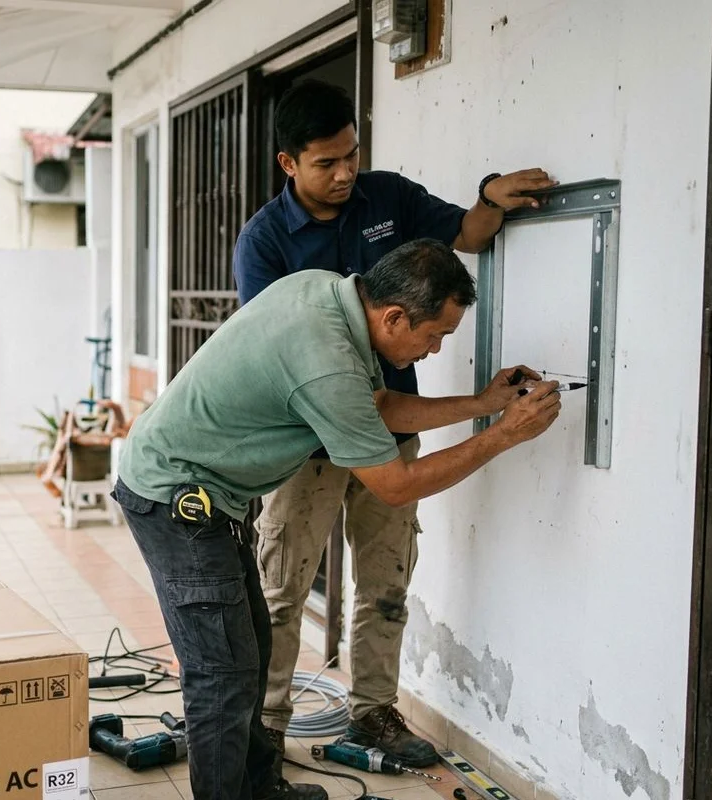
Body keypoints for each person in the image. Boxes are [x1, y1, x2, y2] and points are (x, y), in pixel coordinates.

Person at [112, 239, 561, 800]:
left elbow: (377, 407)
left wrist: (482, 405)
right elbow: (395, 485)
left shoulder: (325, 293)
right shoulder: (326, 359)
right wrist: (504, 436)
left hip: (203, 495)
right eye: (435, 335)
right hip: (176, 499)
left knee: (247, 658)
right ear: (395, 316)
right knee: (223, 677)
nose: (434, 348)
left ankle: (260, 789)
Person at [232, 79, 557, 768]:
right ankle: (264, 724)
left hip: (389, 425)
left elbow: (466, 234)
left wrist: (490, 199)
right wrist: (491, 426)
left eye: (352, 154)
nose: (346, 172)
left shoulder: (386, 196)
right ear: (288, 163)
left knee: (385, 582)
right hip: (307, 446)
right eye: (326, 162)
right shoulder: (262, 243)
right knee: (282, 588)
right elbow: (273, 353)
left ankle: (373, 712)